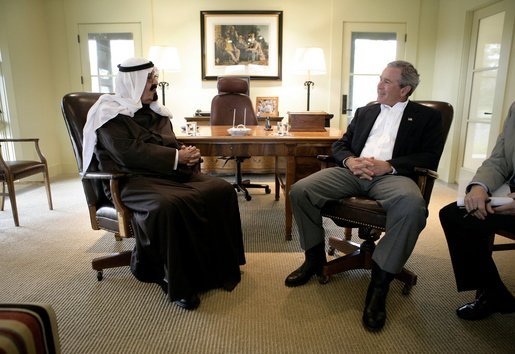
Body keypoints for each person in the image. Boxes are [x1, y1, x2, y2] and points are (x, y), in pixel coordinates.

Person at [286, 60, 445, 331]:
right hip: (352, 172)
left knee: (412, 206)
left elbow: (430, 156)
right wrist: (349, 161)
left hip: (392, 177)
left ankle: (379, 286)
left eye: (386, 81)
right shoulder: (365, 111)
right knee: (301, 190)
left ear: (405, 89)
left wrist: (390, 165)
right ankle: (313, 260)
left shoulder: (426, 117)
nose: (379, 85)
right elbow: (340, 144)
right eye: (380, 79)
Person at [82, 57, 245, 310]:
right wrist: (176, 157)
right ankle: (173, 278)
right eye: (150, 83)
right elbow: (128, 153)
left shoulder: (156, 112)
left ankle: (220, 266)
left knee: (222, 190)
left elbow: (168, 143)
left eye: (155, 82)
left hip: (167, 174)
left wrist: (186, 153)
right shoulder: (108, 114)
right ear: (133, 83)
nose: (155, 87)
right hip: (130, 180)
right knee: (169, 205)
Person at [439, 101, 515, 321]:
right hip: (508, 194)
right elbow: (499, 159)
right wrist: (479, 187)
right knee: (455, 215)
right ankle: (494, 293)